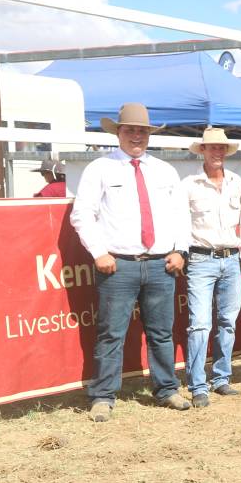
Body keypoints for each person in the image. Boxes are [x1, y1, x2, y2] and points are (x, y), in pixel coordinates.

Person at [70, 102, 190, 422]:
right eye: (130, 130)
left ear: (149, 134)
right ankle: (103, 396)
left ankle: (166, 389)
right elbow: (82, 214)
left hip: (160, 263)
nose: (136, 135)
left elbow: (181, 215)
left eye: (142, 130)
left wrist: (181, 250)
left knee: (162, 331)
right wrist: (98, 252)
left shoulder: (165, 171)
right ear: (118, 133)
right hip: (118, 264)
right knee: (112, 332)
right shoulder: (100, 168)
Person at [180, 127, 241, 408]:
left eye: (221, 148)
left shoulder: (236, 182)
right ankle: (198, 384)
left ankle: (221, 378)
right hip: (201, 258)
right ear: (203, 150)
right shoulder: (189, 184)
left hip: (232, 257)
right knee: (200, 325)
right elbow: (180, 223)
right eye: (212, 148)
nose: (217, 152)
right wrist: (182, 253)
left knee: (228, 322)